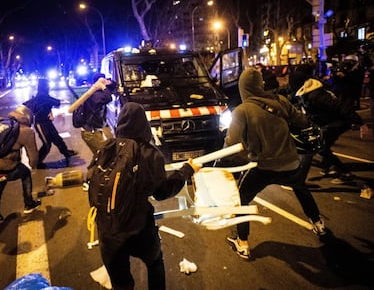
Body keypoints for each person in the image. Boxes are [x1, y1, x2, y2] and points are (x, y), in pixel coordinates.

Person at [224, 68, 326, 261]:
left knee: (241, 198)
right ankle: (318, 223)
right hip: (290, 162)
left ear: (242, 88)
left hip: (262, 166)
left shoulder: (242, 111)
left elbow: (231, 144)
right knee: (300, 188)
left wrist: (221, 162)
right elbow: (302, 121)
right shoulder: (280, 101)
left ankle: (243, 243)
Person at [96, 102, 199, 290]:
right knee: (154, 262)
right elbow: (161, 192)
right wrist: (186, 170)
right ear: (144, 124)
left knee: (121, 283)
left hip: (107, 228)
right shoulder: (150, 154)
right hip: (138, 228)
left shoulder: (106, 148)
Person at [292, 71, 369, 184]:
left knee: (319, 146)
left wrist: (361, 123)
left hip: (337, 122)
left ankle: (344, 172)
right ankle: (329, 167)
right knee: (323, 146)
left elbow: (341, 107)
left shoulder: (316, 95)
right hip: (329, 122)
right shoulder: (306, 93)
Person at [0, 105, 41, 221]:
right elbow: (33, 155)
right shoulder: (26, 131)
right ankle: (29, 203)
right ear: (28, 119)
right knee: (25, 173)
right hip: (2, 167)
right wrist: (33, 165)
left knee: (1, 178)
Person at [78, 74, 114, 190]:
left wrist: (108, 83)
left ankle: (90, 179)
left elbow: (114, 86)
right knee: (104, 154)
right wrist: (103, 86)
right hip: (91, 133)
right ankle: (89, 180)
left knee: (99, 155)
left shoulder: (96, 92)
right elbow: (108, 98)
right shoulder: (95, 95)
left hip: (95, 131)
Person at [31, 79, 77, 168]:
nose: (49, 87)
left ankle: (66, 153)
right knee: (47, 144)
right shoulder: (42, 95)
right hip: (41, 123)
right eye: (47, 85)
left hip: (47, 122)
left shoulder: (43, 95)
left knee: (56, 138)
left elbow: (49, 105)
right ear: (44, 87)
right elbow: (56, 102)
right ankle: (37, 162)